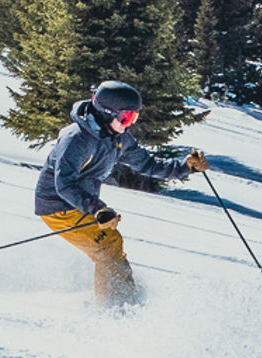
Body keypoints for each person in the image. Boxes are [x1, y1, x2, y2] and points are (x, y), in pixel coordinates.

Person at [33, 80, 208, 307]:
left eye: (134, 118)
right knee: (109, 247)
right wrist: (97, 209)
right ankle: (113, 308)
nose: (129, 125)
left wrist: (185, 167)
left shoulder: (118, 138)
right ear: (107, 113)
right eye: (126, 118)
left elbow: (147, 164)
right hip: (58, 206)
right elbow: (64, 183)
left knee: (111, 246)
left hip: (81, 204)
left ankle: (121, 300)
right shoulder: (76, 139)